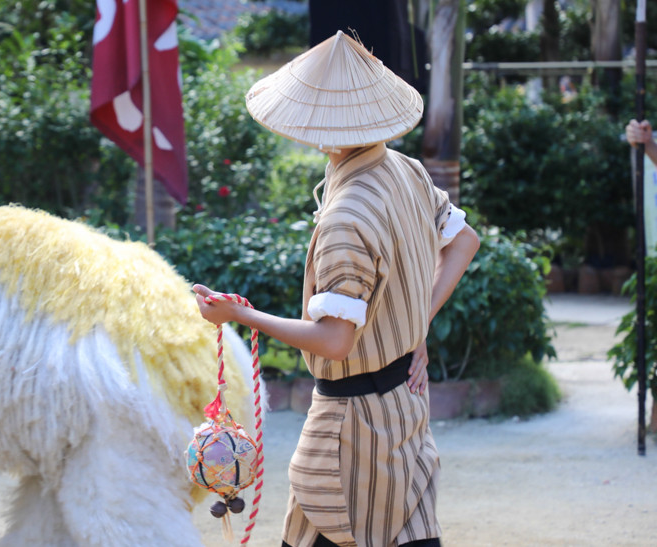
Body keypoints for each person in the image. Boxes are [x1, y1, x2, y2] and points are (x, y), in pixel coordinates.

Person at [193, 31, 480, 547]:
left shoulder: (347, 214)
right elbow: (464, 242)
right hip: (404, 408)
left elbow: (334, 341)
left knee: (332, 530)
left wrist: (239, 317)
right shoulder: (406, 170)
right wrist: (417, 324)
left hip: (353, 424)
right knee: (404, 533)